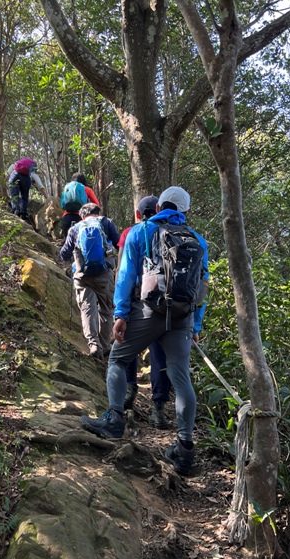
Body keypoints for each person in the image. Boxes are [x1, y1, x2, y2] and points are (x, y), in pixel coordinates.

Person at [80, 186, 210, 475]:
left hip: (148, 313)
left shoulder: (142, 231)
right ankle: (185, 449)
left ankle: (114, 420)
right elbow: (202, 288)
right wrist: (196, 325)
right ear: (184, 211)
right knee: (180, 376)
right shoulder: (198, 241)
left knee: (116, 359)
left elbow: (126, 275)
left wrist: (121, 314)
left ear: (161, 205)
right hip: (181, 319)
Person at [117, 195, 174, 429]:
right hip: (169, 306)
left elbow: (123, 271)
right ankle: (158, 409)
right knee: (161, 355)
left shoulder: (132, 232)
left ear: (139, 213)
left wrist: (120, 309)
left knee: (124, 349)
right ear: (158, 210)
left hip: (138, 303)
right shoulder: (175, 232)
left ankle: (128, 391)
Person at [59, 203, 121, 358]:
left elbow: (64, 254)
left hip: (82, 275)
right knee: (106, 309)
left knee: (87, 309)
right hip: (104, 273)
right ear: (97, 212)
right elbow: (119, 244)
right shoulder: (107, 223)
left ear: (82, 214)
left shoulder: (75, 228)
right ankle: (105, 345)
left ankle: (93, 345)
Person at [7, 157, 47, 222]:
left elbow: (8, 173)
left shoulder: (17, 164)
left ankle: (16, 210)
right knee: (24, 197)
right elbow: (40, 186)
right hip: (25, 179)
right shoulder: (32, 170)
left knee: (14, 195)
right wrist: (47, 197)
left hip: (14, 175)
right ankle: (23, 214)